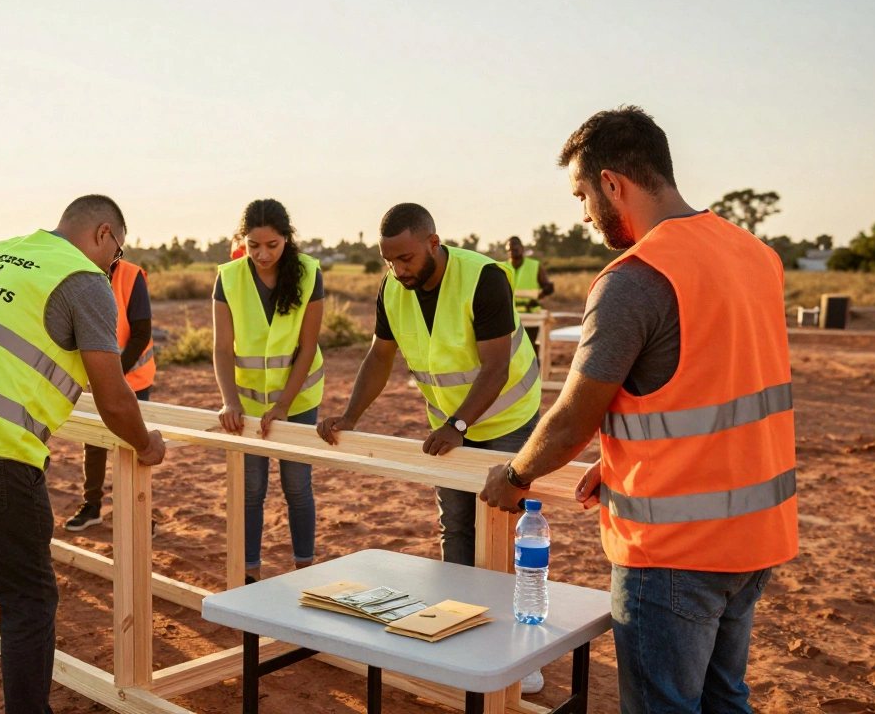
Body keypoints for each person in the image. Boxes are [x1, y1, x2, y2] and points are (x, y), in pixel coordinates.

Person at [479, 106, 796, 714]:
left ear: (613, 185)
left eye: (581, 196)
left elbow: (572, 416)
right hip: (754, 533)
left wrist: (515, 476)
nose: (584, 214)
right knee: (725, 698)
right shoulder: (754, 254)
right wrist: (621, 457)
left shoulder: (634, 279)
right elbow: (706, 382)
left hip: (674, 550)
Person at [0, 195, 167, 714]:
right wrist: (147, 444)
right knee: (28, 601)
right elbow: (112, 397)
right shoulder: (84, 281)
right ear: (104, 234)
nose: (115, 266)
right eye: (117, 252)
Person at [319, 203, 547, 694]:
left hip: (505, 418)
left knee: (504, 533)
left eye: (405, 258)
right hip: (451, 424)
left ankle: (518, 653)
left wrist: (459, 424)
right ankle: (459, 636)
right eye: (388, 261)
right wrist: (351, 414)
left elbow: (496, 368)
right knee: (457, 527)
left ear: (432, 242)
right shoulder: (392, 289)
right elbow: (379, 356)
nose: (397, 270)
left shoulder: (483, 277)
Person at [214, 199, 324, 584]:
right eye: (253, 245)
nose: (261, 254)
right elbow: (222, 348)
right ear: (241, 240)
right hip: (245, 403)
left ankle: (304, 573)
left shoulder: (310, 273)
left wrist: (283, 405)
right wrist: (229, 400)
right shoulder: (228, 277)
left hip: (298, 400)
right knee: (250, 490)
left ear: (287, 240)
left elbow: (308, 348)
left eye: (272, 246)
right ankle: (249, 578)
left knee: (297, 486)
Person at [65, 255, 156, 531]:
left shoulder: (131, 275)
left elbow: (141, 333)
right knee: (94, 443)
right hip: (95, 378)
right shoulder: (77, 274)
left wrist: (113, 376)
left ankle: (138, 511)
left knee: (134, 442)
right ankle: (92, 505)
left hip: (134, 378)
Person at [503, 236, 554, 313]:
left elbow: (547, 288)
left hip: (531, 314)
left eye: (515, 249)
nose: (512, 251)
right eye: (509, 250)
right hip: (509, 314)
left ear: (522, 248)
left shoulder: (535, 266)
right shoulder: (502, 268)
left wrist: (537, 298)